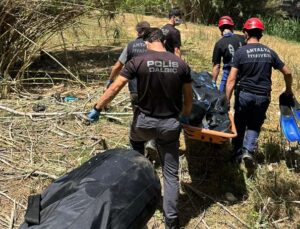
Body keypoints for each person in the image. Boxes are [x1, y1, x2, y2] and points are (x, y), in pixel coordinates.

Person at [87, 28, 193, 229]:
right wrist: (184, 116)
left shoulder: (138, 61)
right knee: (171, 174)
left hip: (143, 124)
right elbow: (189, 99)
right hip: (170, 126)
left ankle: (137, 200)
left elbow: (114, 88)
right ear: (163, 41)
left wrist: (97, 108)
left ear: (147, 42)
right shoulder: (181, 64)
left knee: (135, 159)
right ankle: (171, 220)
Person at [226, 18, 293, 174]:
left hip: (244, 95)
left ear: (246, 33)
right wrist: (288, 89)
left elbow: (231, 80)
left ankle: (237, 154)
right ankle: (248, 151)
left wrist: (226, 100)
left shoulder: (240, 52)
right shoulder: (269, 52)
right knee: (255, 125)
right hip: (263, 96)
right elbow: (288, 72)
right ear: (261, 34)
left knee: (240, 123)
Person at [105, 21, 150, 107]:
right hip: (153, 89)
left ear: (138, 32)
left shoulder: (130, 46)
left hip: (135, 89)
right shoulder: (155, 45)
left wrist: (110, 80)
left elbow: (118, 66)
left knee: (137, 116)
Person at [212, 16, 245, 92]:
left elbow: (216, 65)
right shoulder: (243, 38)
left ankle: (224, 103)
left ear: (220, 29)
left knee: (222, 98)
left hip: (228, 71)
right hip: (243, 71)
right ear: (232, 27)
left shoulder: (219, 43)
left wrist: (213, 81)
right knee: (240, 96)